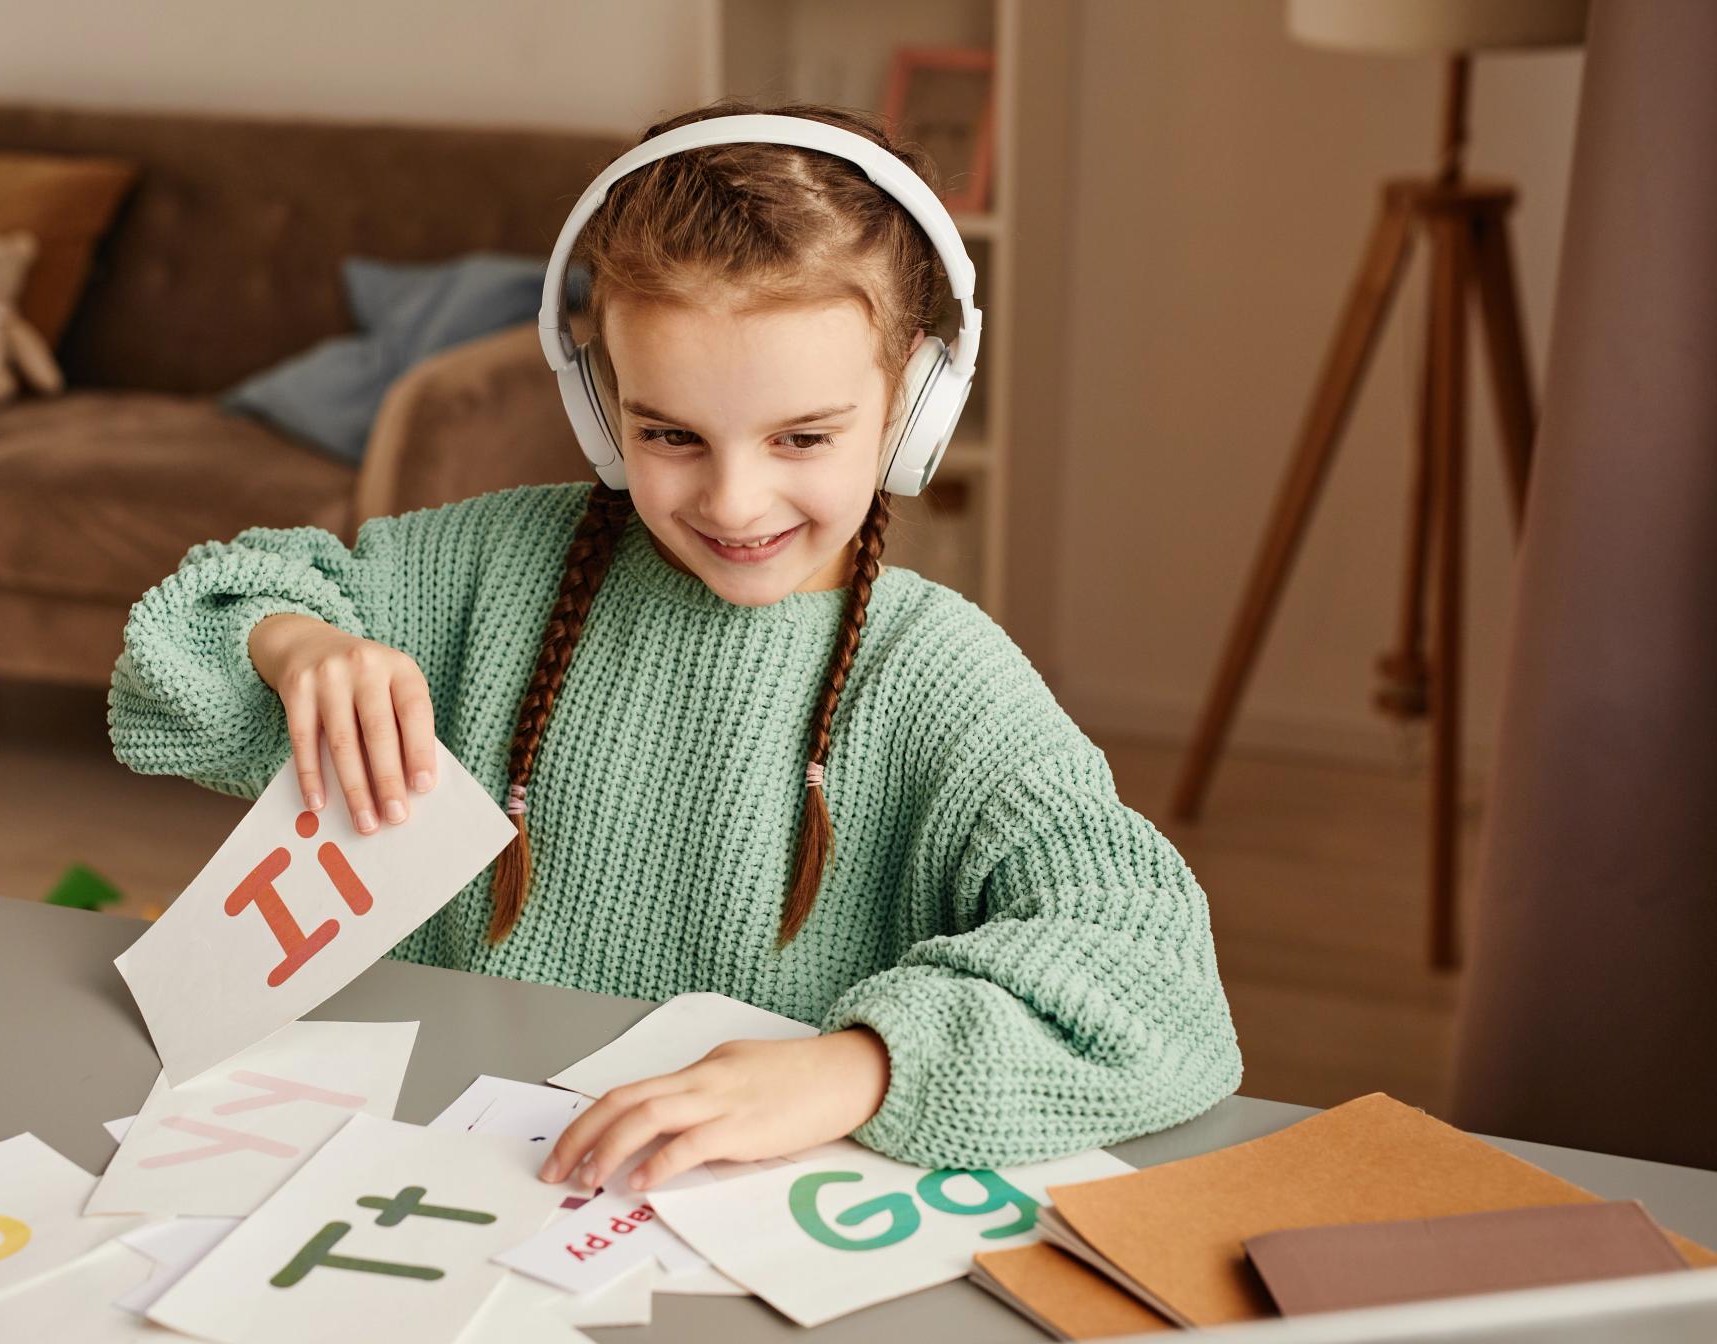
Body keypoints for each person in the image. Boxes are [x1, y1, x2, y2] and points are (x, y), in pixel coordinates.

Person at [108, 97, 1242, 1197]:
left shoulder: (943, 677)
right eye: (669, 434)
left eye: (803, 435)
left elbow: (1155, 981)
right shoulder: (487, 568)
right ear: (603, 409)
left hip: (730, 1222)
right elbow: (183, 648)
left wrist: (858, 1067)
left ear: (916, 404)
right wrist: (296, 644)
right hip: (447, 1176)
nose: (735, 502)